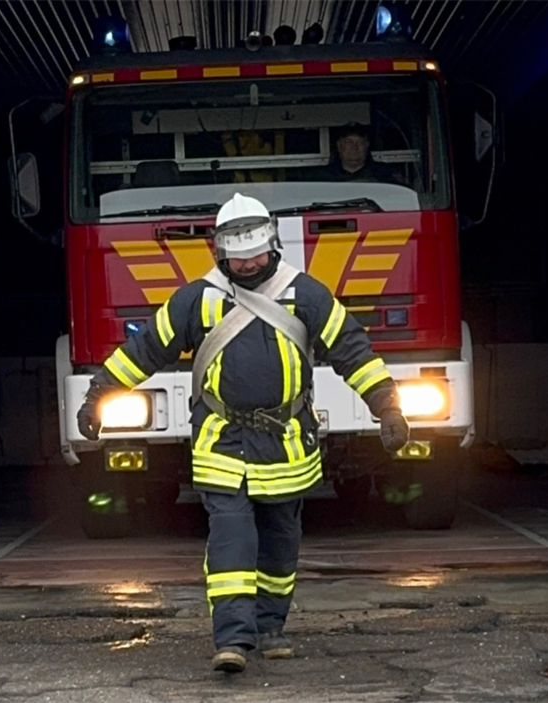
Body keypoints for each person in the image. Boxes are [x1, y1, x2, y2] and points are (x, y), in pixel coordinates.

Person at [75, 193, 409, 674]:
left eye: (254, 253)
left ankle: (270, 626)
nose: (248, 262)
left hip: (287, 445)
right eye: (238, 255)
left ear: (272, 246)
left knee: (280, 544)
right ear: (221, 253)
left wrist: (387, 406)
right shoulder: (197, 299)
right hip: (222, 443)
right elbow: (144, 349)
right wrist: (98, 394)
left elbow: (352, 349)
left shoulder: (306, 294)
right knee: (231, 540)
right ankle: (232, 641)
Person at [327, 123, 400, 183]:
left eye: (360, 142)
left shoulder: (387, 175)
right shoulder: (323, 178)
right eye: (349, 142)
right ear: (339, 145)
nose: (355, 147)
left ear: (367, 145)